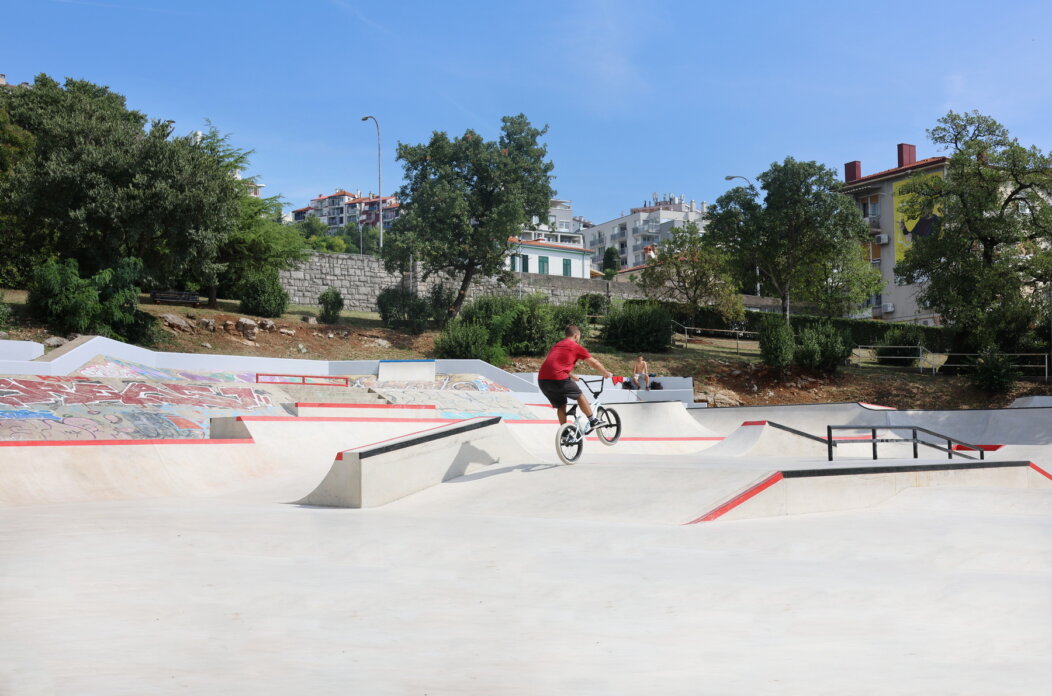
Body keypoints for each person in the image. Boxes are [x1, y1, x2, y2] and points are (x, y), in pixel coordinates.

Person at [538, 324, 613, 430]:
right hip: (558, 379)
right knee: (579, 395)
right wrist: (605, 372)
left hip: (543, 381)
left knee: (561, 405)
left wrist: (571, 375)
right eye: (580, 336)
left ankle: (564, 432)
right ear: (576, 335)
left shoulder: (557, 345)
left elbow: (553, 364)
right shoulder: (576, 347)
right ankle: (593, 420)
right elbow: (594, 363)